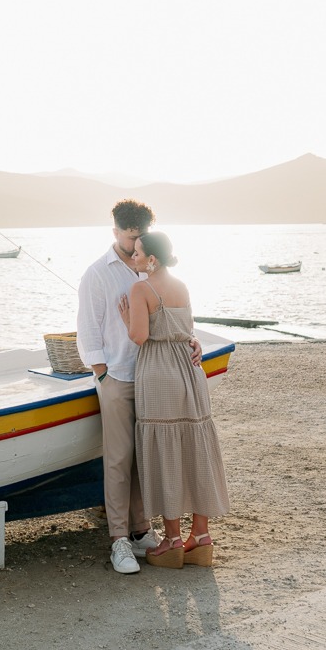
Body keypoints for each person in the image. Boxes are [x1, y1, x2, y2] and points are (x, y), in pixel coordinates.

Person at [77, 200, 201, 575]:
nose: (135, 247)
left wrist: (191, 339)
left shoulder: (152, 265)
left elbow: (172, 313)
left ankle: (142, 530)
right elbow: (87, 331)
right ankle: (119, 540)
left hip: (154, 378)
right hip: (118, 376)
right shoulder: (98, 273)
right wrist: (103, 375)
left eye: (140, 239)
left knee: (145, 459)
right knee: (117, 460)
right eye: (130, 238)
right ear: (115, 232)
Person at [118, 231, 230, 569]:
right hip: (189, 369)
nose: (133, 258)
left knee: (165, 451)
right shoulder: (181, 285)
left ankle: (172, 540)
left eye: (137, 253)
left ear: (151, 258)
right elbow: (188, 328)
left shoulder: (141, 288)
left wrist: (126, 319)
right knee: (195, 448)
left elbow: (139, 336)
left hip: (159, 371)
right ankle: (201, 534)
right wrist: (192, 341)